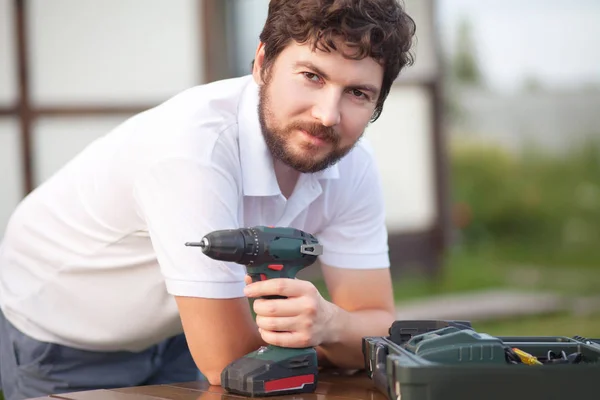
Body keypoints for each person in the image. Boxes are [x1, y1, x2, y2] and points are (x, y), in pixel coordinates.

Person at [0, 0, 416, 399]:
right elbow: (231, 362)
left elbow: (378, 324)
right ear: (263, 62)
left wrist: (330, 322)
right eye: (312, 76)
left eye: (357, 93)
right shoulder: (191, 148)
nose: (328, 115)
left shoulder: (353, 164)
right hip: (64, 329)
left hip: (178, 326)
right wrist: (345, 341)